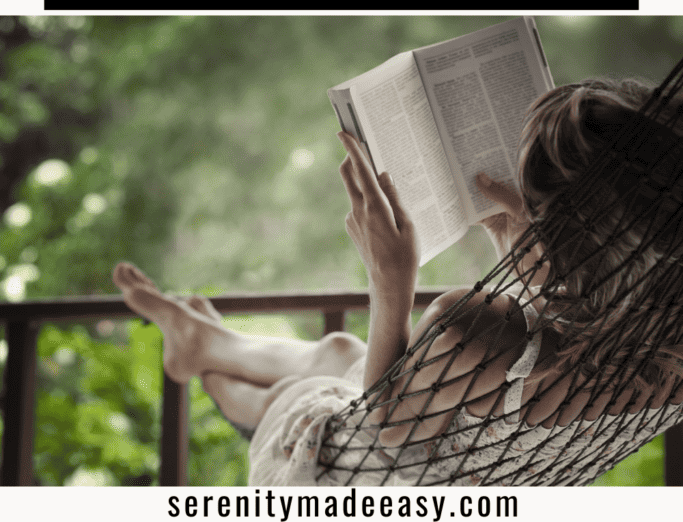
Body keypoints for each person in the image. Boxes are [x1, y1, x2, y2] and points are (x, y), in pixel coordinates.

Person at [113, 78, 683, 486]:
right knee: (338, 350)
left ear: (561, 242)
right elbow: (569, 343)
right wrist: (524, 252)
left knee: (297, 385)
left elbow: (379, 430)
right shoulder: (665, 352)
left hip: (335, 475)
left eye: (533, 207)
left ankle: (204, 359)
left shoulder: (472, 330)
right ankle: (205, 344)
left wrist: (390, 281)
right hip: (463, 464)